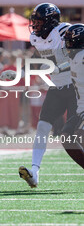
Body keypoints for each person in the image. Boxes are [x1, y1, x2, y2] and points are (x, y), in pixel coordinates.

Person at [1, 3, 76, 188]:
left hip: (76, 87)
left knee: (75, 135)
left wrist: (60, 67)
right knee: (42, 127)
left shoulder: (64, 32)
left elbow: (77, 57)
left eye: (39, 21)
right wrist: (19, 73)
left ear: (51, 21)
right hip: (57, 87)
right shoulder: (36, 37)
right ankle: (34, 173)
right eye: (34, 21)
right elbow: (36, 58)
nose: (35, 25)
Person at [57, 23, 84, 169]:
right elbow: (69, 63)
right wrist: (56, 69)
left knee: (80, 135)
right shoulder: (75, 57)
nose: (66, 45)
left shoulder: (82, 55)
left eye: (69, 42)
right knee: (67, 138)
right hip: (80, 109)